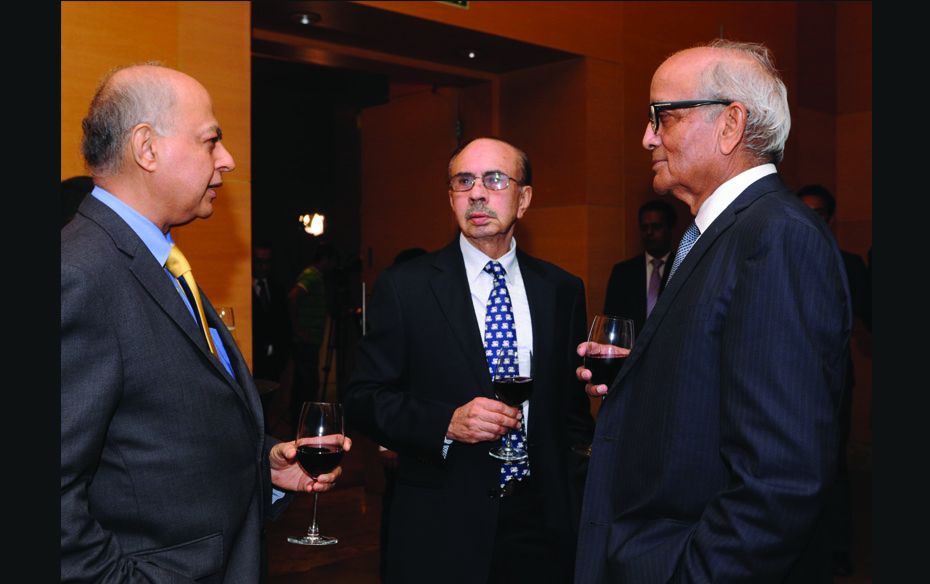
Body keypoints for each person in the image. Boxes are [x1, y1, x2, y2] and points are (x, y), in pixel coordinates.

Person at [574, 40, 852, 583]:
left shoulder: (776, 238)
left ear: (730, 124)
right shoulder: (723, 232)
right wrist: (645, 375)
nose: (647, 136)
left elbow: (781, 477)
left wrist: (694, 574)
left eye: (662, 117)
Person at [61, 63, 349, 583]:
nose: (228, 160)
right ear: (146, 148)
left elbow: (161, 434)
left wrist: (264, 469)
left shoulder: (156, 259)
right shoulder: (79, 273)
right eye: (210, 140)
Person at [344, 137, 594, 584]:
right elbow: (363, 398)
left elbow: (571, 414)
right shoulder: (406, 288)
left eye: (495, 179)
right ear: (451, 198)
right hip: (441, 524)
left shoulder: (562, 289)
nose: (477, 192)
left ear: (524, 198)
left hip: (544, 523)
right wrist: (446, 422)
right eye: (464, 181)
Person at [797, 183, 872, 577]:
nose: (812, 218)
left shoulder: (850, 263)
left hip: (834, 384)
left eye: (819, 212)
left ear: (830, 217)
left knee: (835, 467)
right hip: (790, 386)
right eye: (804, 209)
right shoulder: (782, 254)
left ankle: (839, 548)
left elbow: (863, 320)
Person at [603, 198, 677, 334]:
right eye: (644, 227)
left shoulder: (682, 268)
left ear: (669, 228)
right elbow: (610, 323)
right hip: (630, 351)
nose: (649, 233)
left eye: (656, 227)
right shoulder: (623, 273)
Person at [288, 242, 339, 429]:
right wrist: (298, 330)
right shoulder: (311, 276)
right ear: (325, 260)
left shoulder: (315, 276)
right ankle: (304, 425)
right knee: (307, 383)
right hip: (305, 339)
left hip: (310, 339)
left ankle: (301, 423)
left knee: (305, 381)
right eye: (332, 261)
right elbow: (294, 296)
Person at [252, 243, 291, 382]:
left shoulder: (277, 289)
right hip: (252, 360)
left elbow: (284, 323)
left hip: (274, 361)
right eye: (259, 262)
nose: (263, 266)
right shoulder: (244, 291)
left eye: (267, 262)